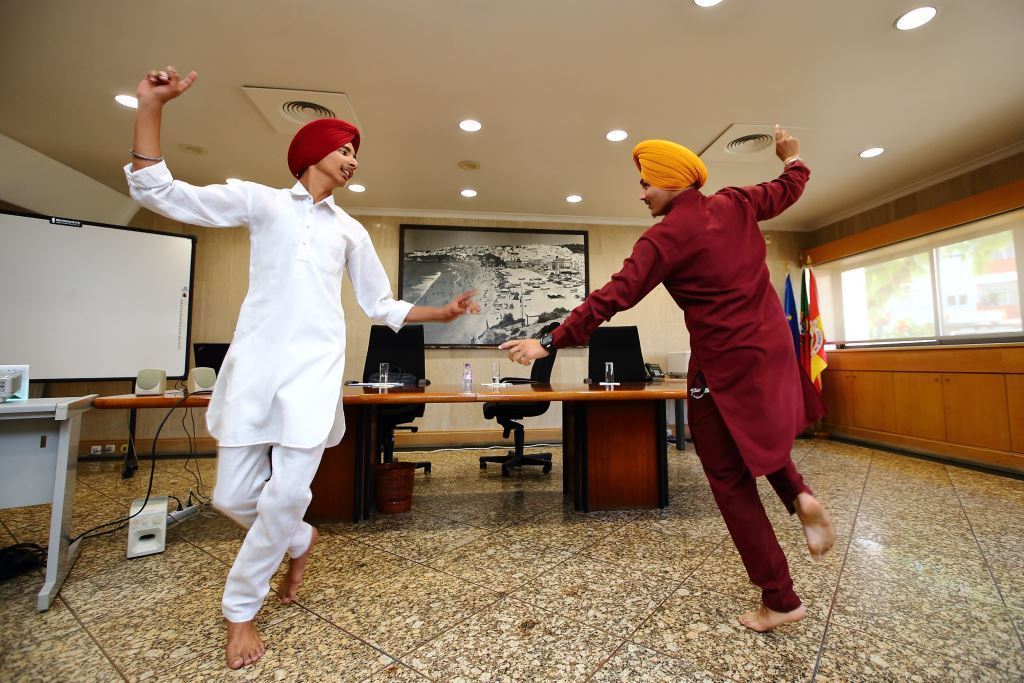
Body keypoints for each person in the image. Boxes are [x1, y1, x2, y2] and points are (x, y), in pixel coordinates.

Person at [125, 66, 479, 669]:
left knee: (288, 491)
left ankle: (240, 609)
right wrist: (150, 106)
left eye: (355, 153)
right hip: (255, 368)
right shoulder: (261, 202)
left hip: (314, 374)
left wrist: (442, 312)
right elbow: (163, 193)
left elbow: (380, 304)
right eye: (345, 149)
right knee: (231, 497)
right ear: (314, 151)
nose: (353, 160)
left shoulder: (350, 230)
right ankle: (298, 536)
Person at [500, 125, 834, 633]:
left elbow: (613, 295)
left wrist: (550, 341)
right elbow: (787, 189)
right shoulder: (736, 202)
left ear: (673, 181)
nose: (641, 194)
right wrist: (793, 158)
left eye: (646, 183)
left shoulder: (664, 237)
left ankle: (780, 598)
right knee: (752, 433)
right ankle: (799, 494)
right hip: (772, 350)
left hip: (721, 361)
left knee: (729, 480)